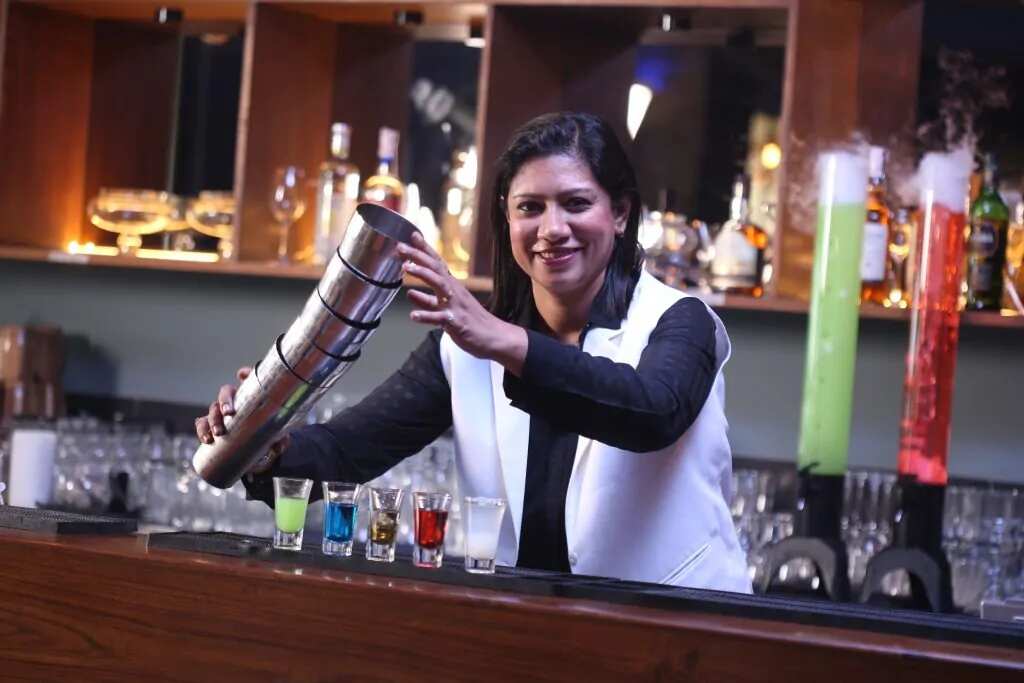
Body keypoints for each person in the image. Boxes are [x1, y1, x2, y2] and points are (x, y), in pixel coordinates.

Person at [195, 112, 751, 592]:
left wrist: (502, 340)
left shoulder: (680, 320)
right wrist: (262, 445)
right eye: (530, 207)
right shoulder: (466, 345)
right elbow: (348, 450)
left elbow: (651, 411)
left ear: (621, 214)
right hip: (528, 629)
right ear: (507, 217)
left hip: (680, 628)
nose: (552, 228)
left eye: (576, 204)